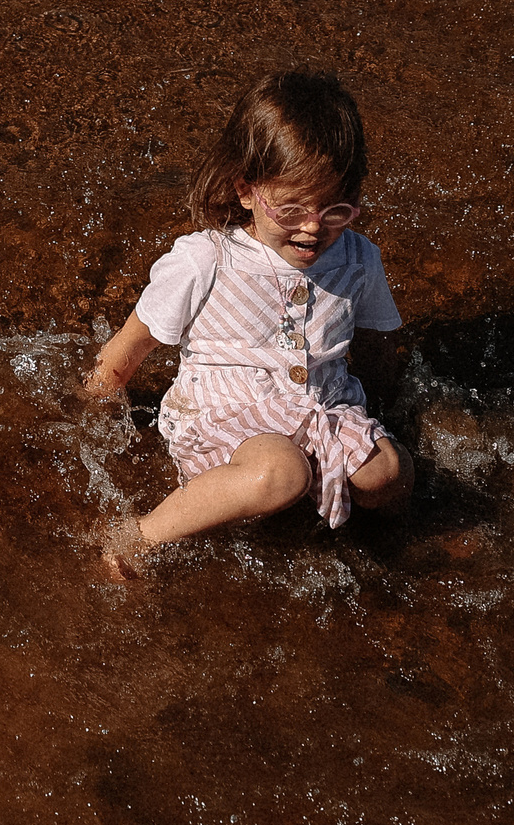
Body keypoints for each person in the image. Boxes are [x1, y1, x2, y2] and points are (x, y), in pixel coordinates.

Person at [81, 69, 414, 580]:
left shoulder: (359, 259)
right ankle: (139, 535)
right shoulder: (206, 260)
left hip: (321, 407)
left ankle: (401, 548)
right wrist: (88, 415)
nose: (312, 226)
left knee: (387, 473)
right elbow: (128, 349)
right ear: (245, 191)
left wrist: (392, 414)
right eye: (292, 208)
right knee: (280, 474)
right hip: (229, 418)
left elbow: (374, 349)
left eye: (335, 209)